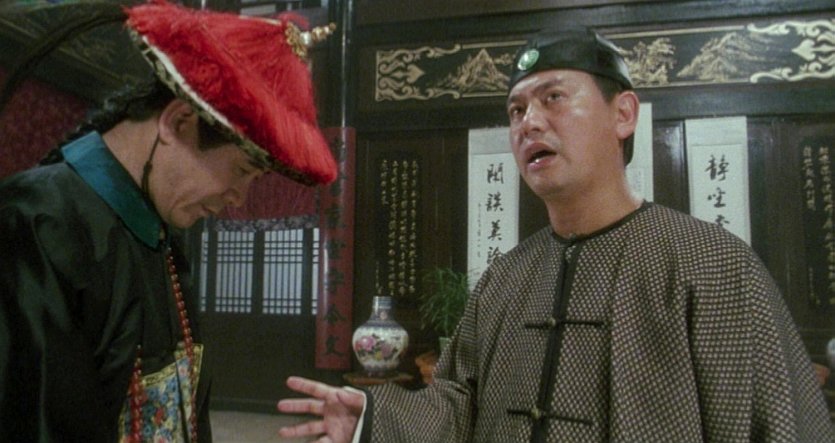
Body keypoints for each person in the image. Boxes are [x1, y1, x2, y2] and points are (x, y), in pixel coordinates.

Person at [277, 27, 835, 442]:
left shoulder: (712, 264)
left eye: (553, 98)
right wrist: (371, 420)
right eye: (516, 110)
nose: (529, 123)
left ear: (624, 114)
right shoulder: (505, 278)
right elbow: (458, 405)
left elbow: (778, 425)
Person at [0, 1, 336, 441]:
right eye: (241, 171)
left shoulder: (161, 229)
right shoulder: (37, 222)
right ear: (179, 122)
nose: (239, 198)